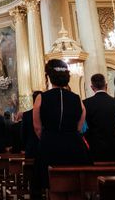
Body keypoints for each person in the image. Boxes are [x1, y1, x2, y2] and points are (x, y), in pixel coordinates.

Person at [34, 59, 90, 191]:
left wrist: (49, 137)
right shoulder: (76, 98)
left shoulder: (41, 98)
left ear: (49, 76)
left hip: (49, 144)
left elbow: (37, 127)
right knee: (75, 186)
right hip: (74, 145)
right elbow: (79, 125)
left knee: (53, 186)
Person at [82, 73, 115, 163]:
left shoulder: (86, 104)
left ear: (92, 87)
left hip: (97, 151)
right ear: (106, 85)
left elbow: (84, 129)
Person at [22, 91, 42, 158]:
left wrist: (26, 146)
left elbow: (23, 134)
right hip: (44, 149)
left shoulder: (26, 115)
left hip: (31, 149)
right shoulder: (47, 114)